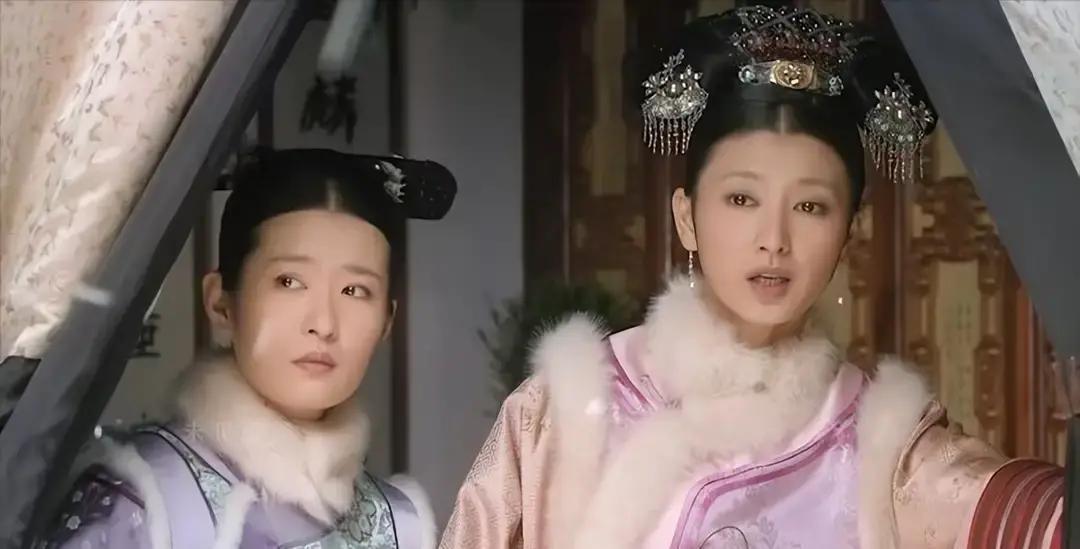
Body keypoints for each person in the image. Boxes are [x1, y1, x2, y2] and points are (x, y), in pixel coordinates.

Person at [439, 6, 1063, 549]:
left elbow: (1031, 516)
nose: (774, 239)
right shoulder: (564, 405)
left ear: (848, 234)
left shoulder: (888, 444)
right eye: (741, 199)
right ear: (686, 217)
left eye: (810, 207)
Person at [38, 148, 457, 549]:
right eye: (289, 282)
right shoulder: (142, 501)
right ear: (221, 302)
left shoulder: (399, 525)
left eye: (355, 290)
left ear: (387, 321)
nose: (324, 324)